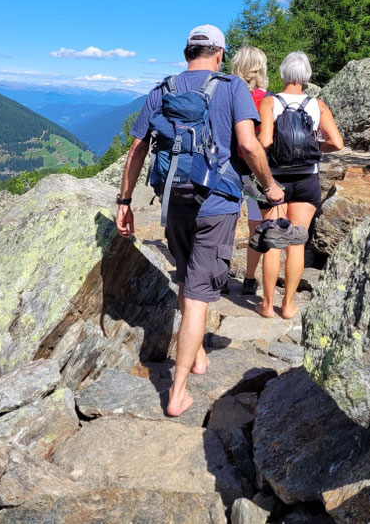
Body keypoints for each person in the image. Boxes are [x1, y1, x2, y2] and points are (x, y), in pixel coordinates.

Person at [116, 25, 284, 418]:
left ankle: (199, 356)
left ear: (187, 52)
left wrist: (124, 201)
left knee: (187, 277)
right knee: (198, 291)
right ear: (220, 54)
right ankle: (177, 392)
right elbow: (247, 144)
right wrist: (270, 186)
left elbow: (137, 147)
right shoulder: (231, 87)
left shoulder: (163, 89)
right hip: (217, 200)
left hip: (174, 199)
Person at [256, 51, 343, 320]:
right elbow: (337, 144)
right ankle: (289, 306)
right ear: (306, 77)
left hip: (275, 181)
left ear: (283, 74)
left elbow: (266, 141)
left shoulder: (270, 102)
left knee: (272, 240)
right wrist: (312, 146)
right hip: (307, 179)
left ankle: (267, 306)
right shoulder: (318, 105)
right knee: (296, 242)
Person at [230, 45, 270, 295]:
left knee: (225, 223)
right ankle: (248, 278)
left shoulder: (227, 93)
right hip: (256, 170)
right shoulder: (268, 98)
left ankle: (220, 276)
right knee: (257, 225)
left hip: (229, 168)